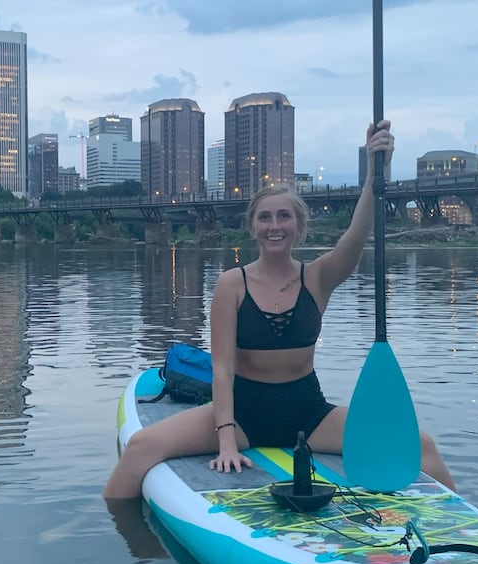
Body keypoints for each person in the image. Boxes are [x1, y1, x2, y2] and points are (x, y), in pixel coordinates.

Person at [102, 120, 455, 499]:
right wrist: (226, 442)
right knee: (140, 449)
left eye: (284, 216)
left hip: (309, 414)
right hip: (241, 417)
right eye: (265, 217)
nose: (275, 225)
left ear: (299, 226)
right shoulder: (231, 284)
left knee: (422, 447)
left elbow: (356, 234)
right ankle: (119, 536)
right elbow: (222, 369)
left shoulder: (318, 278)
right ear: (252, 227)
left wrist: (375, 172)